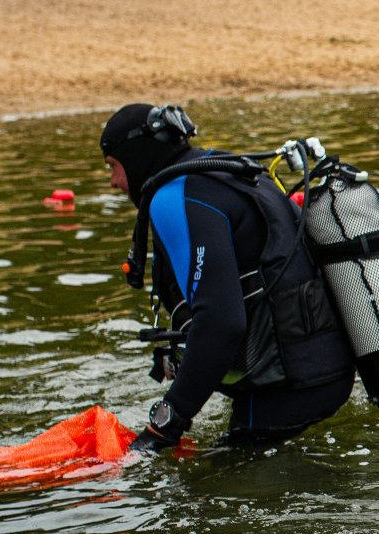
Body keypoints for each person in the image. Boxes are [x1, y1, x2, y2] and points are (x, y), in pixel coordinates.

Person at [100, 103, 356, 452]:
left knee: (202, 494)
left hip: (290, 390)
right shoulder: (227, 172)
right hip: (332, 370)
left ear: (136, 156)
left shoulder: (173, 197)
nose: (114, 182)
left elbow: (221, 323)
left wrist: (164, 426)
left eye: (113, 166)